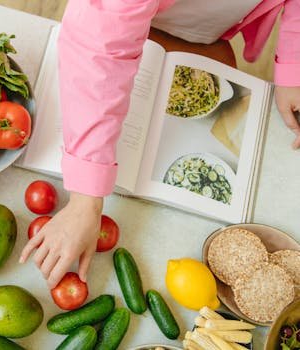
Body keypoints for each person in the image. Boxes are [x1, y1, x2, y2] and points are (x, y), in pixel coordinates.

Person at [20, 0, 300, 289]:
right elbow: (100, 44)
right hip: (123, 21)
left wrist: (294, 64)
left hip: (202, 26)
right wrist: (85, 199)